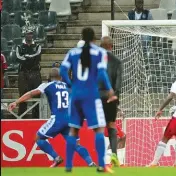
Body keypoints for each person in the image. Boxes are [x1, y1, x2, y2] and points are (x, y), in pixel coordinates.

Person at [8, 68, 96, 168]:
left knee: (38, 138)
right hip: (71, 119)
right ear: (61, 77)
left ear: (49, 78)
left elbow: (31, 93)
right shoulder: (68, 86)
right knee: (76, 145)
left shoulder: (47, 85)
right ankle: (91, 163)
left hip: (58, 119)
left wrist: (16, 102)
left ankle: (56, 157)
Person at [59, 27, 118, 173]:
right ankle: (101, 165)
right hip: (91, 95)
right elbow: (102, 73)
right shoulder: (99, 52)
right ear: (94, 39)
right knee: (99, 129)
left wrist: (71, 85)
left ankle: (68, 166)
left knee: (73, 130)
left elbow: (62, 70)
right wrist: (110, 89)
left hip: (76, 94)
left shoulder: (72, 52)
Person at [99, 36, 123, 167]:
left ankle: (100, 159)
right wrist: (115, 99)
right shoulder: (117, 61)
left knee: (99, 128)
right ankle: (114, 155)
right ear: (111, 46)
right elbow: (119, 83)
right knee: (112, 125)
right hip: (111, 96)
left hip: (97, 96)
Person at [16, 30, 42, 119]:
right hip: (23, 74)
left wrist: (27, 57)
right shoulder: (19, 47)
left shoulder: (38, 46)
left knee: (37, 96)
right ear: (25, 35)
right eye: (28, 34)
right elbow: (18, 58)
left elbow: (38, 57)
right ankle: (21, 118)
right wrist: (31, 58)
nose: (29, 35)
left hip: (35, 73)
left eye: (31, 34)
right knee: (22, 97)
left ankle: (36, 119)